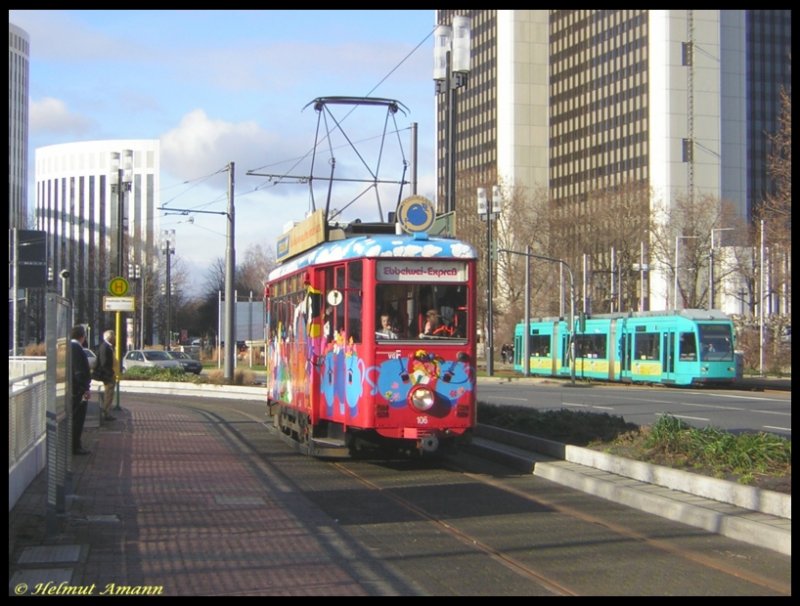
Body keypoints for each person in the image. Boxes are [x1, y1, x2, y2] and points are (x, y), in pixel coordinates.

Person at [70, 325, 92, 455]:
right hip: (77, 391)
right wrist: (85, 388)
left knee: (75, 417)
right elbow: (79, 371)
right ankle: (75, 446)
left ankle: (74, 444)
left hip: (74, 389)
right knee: (78, 418)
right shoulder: (77, 349)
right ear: (82, 337)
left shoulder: (70, 347)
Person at [94, 329, 117, 421]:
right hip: (107, 376)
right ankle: (106, 412)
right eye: (114, 336)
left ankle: (106, 411)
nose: (115, 337)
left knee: (109, 394)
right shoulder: (105, 347)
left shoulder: (107, 346)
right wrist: (109, 374)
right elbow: (104, 363)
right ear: (110, 337)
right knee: (109, 394)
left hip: (107, 375)